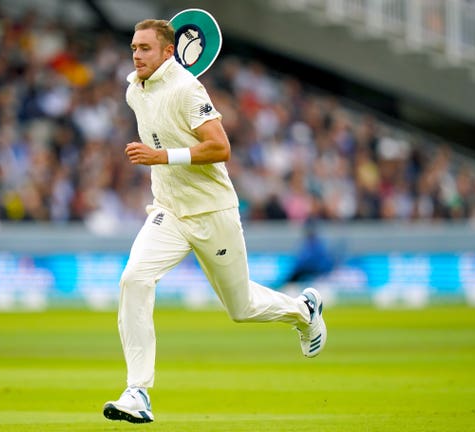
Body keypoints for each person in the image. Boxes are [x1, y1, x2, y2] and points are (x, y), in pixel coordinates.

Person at [102, 18, 327, 424]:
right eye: (134, 47)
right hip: (168, 212)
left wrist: (163, 157)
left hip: (213, 212)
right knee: (133, 279)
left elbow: (220, 148)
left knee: (240, 308)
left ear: (169, 52)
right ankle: (137, 391)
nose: (136, 54)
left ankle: (303, 311)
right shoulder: (134, 89)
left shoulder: (189, 89)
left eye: (145, 48)